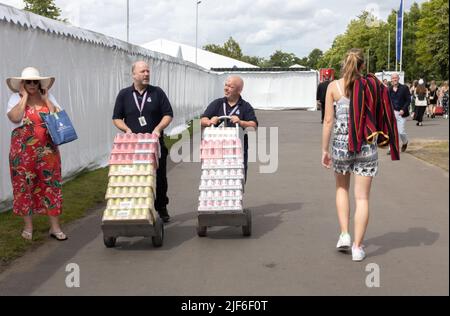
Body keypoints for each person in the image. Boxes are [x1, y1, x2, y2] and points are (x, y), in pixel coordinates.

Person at [321, 49, 399, 262]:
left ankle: (345, 234)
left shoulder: (333, 87)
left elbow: (328, 121)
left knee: (341, 189)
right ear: (363, 66)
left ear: (343, 63)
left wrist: (324, 149)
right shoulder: (371, 86)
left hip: (341, 146)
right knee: (362, 197)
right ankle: (357, 247)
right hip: (366, 145)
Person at [6, 67, 68, 241]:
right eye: (28, 82)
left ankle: (55, 227)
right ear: (22, 84)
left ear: (40, 83)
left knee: (52, 185)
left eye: (35, 81)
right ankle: (28, 226)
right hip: (22, 152)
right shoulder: (14, 99)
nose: (32, 84)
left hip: (48, 151)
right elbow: (14, 117)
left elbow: (59, 118)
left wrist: (46, 99)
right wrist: (24, 97)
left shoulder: (49, 98)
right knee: (24, 187)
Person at [112, 61, 173, 223]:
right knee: (136, 177)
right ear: (133, 75)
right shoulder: (124, 94)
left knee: (159, 178)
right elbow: (117, 118)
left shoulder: (157, 93)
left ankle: (161, 206)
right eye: (142, 71)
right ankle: (136, 208)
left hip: (154, 144)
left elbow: (168, 114)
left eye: (148, 71)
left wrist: (158, 128)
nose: (146, 74)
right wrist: (127, 130)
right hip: (133, 146)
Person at [201, 76, 258, 182]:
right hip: (217, 149)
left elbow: (253, 125)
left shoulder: (245, 106)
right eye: (226, 85)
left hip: (237, 151)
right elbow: (202, 120)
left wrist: (241, 122)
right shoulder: (217, 103)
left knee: (236, 181)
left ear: (239, 90)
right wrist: (209, 121)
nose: (226, 88)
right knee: (216, 179)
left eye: (230, 86)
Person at [389, 73, 411, 153]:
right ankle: (392, 148)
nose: (394, 79)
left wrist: (403, 109)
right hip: (393, 112)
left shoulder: (404, 88)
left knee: (401, 131)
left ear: (398, 79)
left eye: (396, 78)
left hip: (402, 113)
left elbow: (408, 100)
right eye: (393, 78)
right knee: (392, 131)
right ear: (391, 79)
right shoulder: (389, 89)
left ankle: (405, 142)